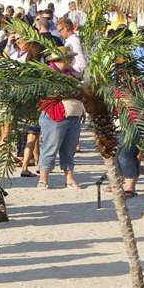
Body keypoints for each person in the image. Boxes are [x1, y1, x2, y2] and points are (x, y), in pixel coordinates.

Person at [37, 47, 84, 189]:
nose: (72, 61)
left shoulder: (70, 74)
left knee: (69, 148)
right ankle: (43, 179)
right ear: (62, 59)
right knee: (50, 147)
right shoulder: (49, 73)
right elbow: (47, 93)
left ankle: (69, 178)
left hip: (72, 114)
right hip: (55, 115)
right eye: (70, 58)